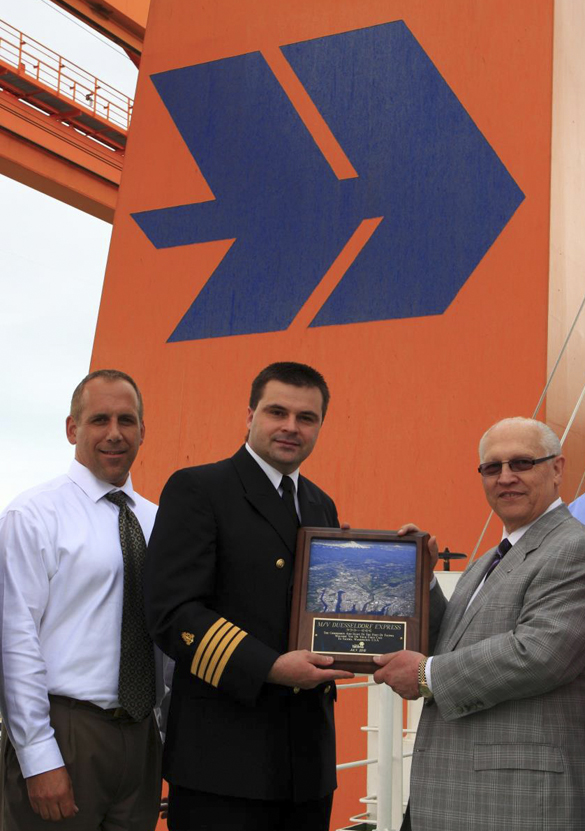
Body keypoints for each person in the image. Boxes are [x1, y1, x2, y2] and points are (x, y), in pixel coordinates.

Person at [144, 361, 353, 831]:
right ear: (250, 415)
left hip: (307, 764)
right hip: (223, 762)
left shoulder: (320, 503)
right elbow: (172, 612)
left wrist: (408, 562)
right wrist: (271, 667)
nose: (290, 427)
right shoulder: (200, 488)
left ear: (321, 425)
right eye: (277, 412)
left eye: (306, 417)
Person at [373, 417, 585, 831]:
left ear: (558, 468)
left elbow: (540, 653)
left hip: (515, 803)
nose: (505, 477)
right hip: (455, 794)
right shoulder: (490, 558)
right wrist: (424, 577)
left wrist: (425, 674)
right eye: (492, 467)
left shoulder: (574, 547)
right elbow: (452, 641)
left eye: (522, 463)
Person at [0, 369, 167, 831]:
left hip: (141, 737)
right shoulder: (33, 515)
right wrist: (38, 757)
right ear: (73, 428)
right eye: (99, 420)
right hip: (66, 734)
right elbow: (16, 640)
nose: (115, 434)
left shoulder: (161, 522)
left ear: (142, 432)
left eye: (127, 421)